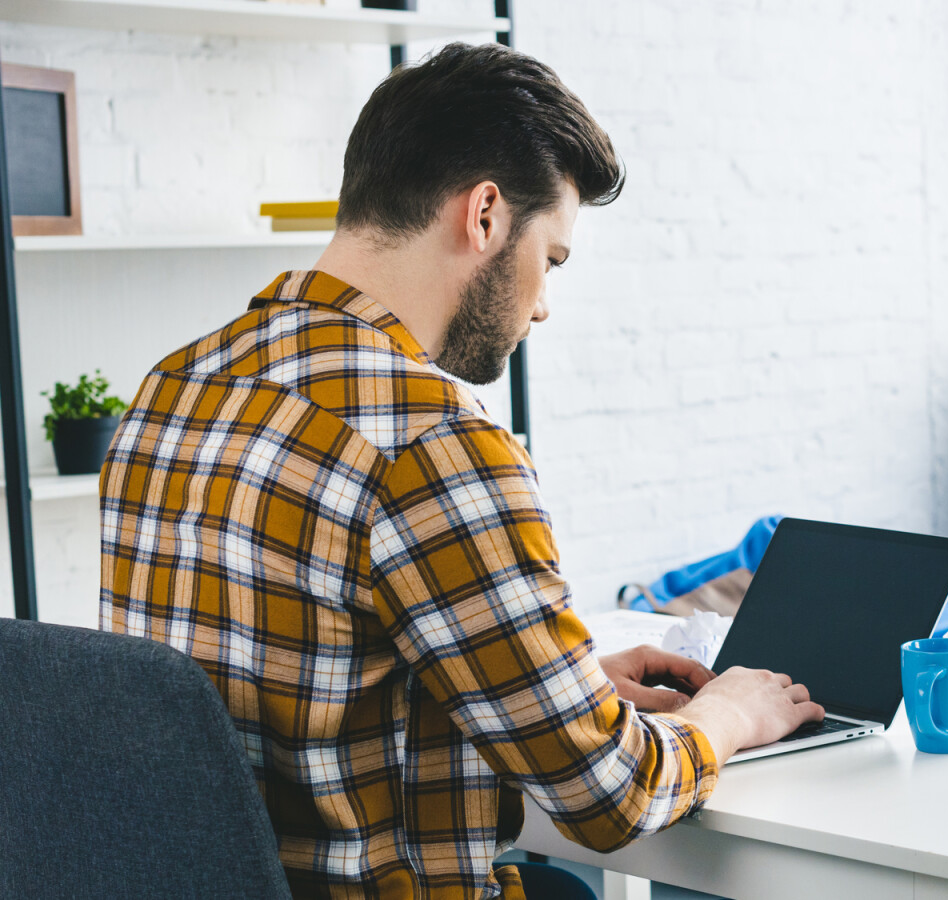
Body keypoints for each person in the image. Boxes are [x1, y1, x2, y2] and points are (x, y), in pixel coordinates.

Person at [99, 42, 823, 900]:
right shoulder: (433, 442)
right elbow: (612, 798)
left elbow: (287, 682)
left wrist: (570, 689)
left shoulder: (172, 387)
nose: (544, 302)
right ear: (484, 215)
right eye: (549, 258)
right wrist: (729, 715)